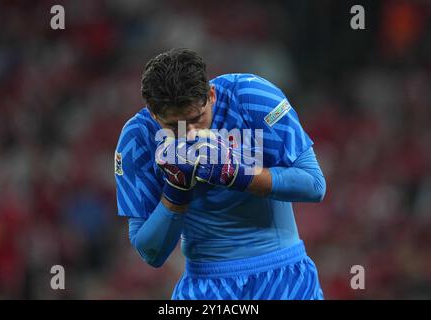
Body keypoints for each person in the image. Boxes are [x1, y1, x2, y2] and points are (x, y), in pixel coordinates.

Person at [114, 48, 326, 300]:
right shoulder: (136, 139)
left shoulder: (252, 97)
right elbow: (151, 253)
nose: (189, 133)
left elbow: (314, 185)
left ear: (211, 95)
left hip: (282, 277)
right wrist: (177, 190)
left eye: (196, 118)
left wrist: (236, 173)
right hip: (205, 287)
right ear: (152, 113)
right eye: (173, 125)